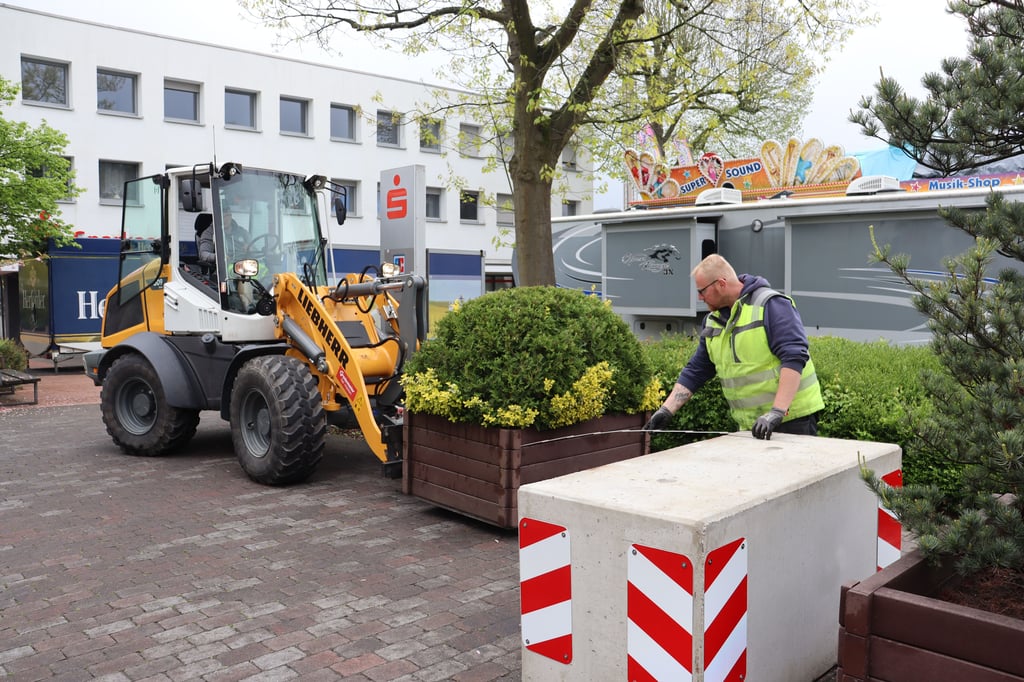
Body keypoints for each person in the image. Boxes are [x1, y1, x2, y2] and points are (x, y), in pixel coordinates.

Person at [645, 254, 824, 440]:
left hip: (792, 420)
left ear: (721, 284)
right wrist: (666, 410)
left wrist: (777, 411)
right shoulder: (712, 322)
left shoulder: (771, 305)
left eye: (702, 290)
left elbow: (794, 357)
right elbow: (696, 371)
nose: (699, 297)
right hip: (752, 425)